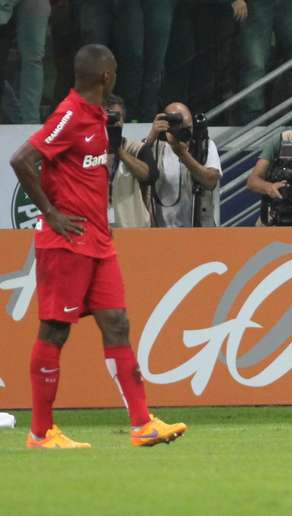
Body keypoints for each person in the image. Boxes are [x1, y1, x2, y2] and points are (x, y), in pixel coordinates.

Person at [9, 44, 186, 449]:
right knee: (54, 330)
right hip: (67, 241)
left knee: (117, 323)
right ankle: (40, 432)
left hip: (99, 241)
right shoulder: (70, 114)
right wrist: (51, 213)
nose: (117, 74)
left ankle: (142, 424)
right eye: (116, 69)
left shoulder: (97, 118)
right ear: (106, 76)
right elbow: (21, 160)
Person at [146, 102, 222, 227]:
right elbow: (135, 177)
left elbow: (211, 180)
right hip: (160, 235)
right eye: (181, 128)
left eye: (189, 127)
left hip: (197, 232)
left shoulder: (204, 146)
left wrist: (182, 154)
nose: (187, 133)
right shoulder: (155, 148)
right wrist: (151, 138)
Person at [105, 93, 158, 228]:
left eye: (117, 117)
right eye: (108, 117)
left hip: (132, 228)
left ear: (123, 120)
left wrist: (121, 153)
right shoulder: (87, 151)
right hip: (99, 228)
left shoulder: (137, 149)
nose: (114, 122)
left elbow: (150, 176)